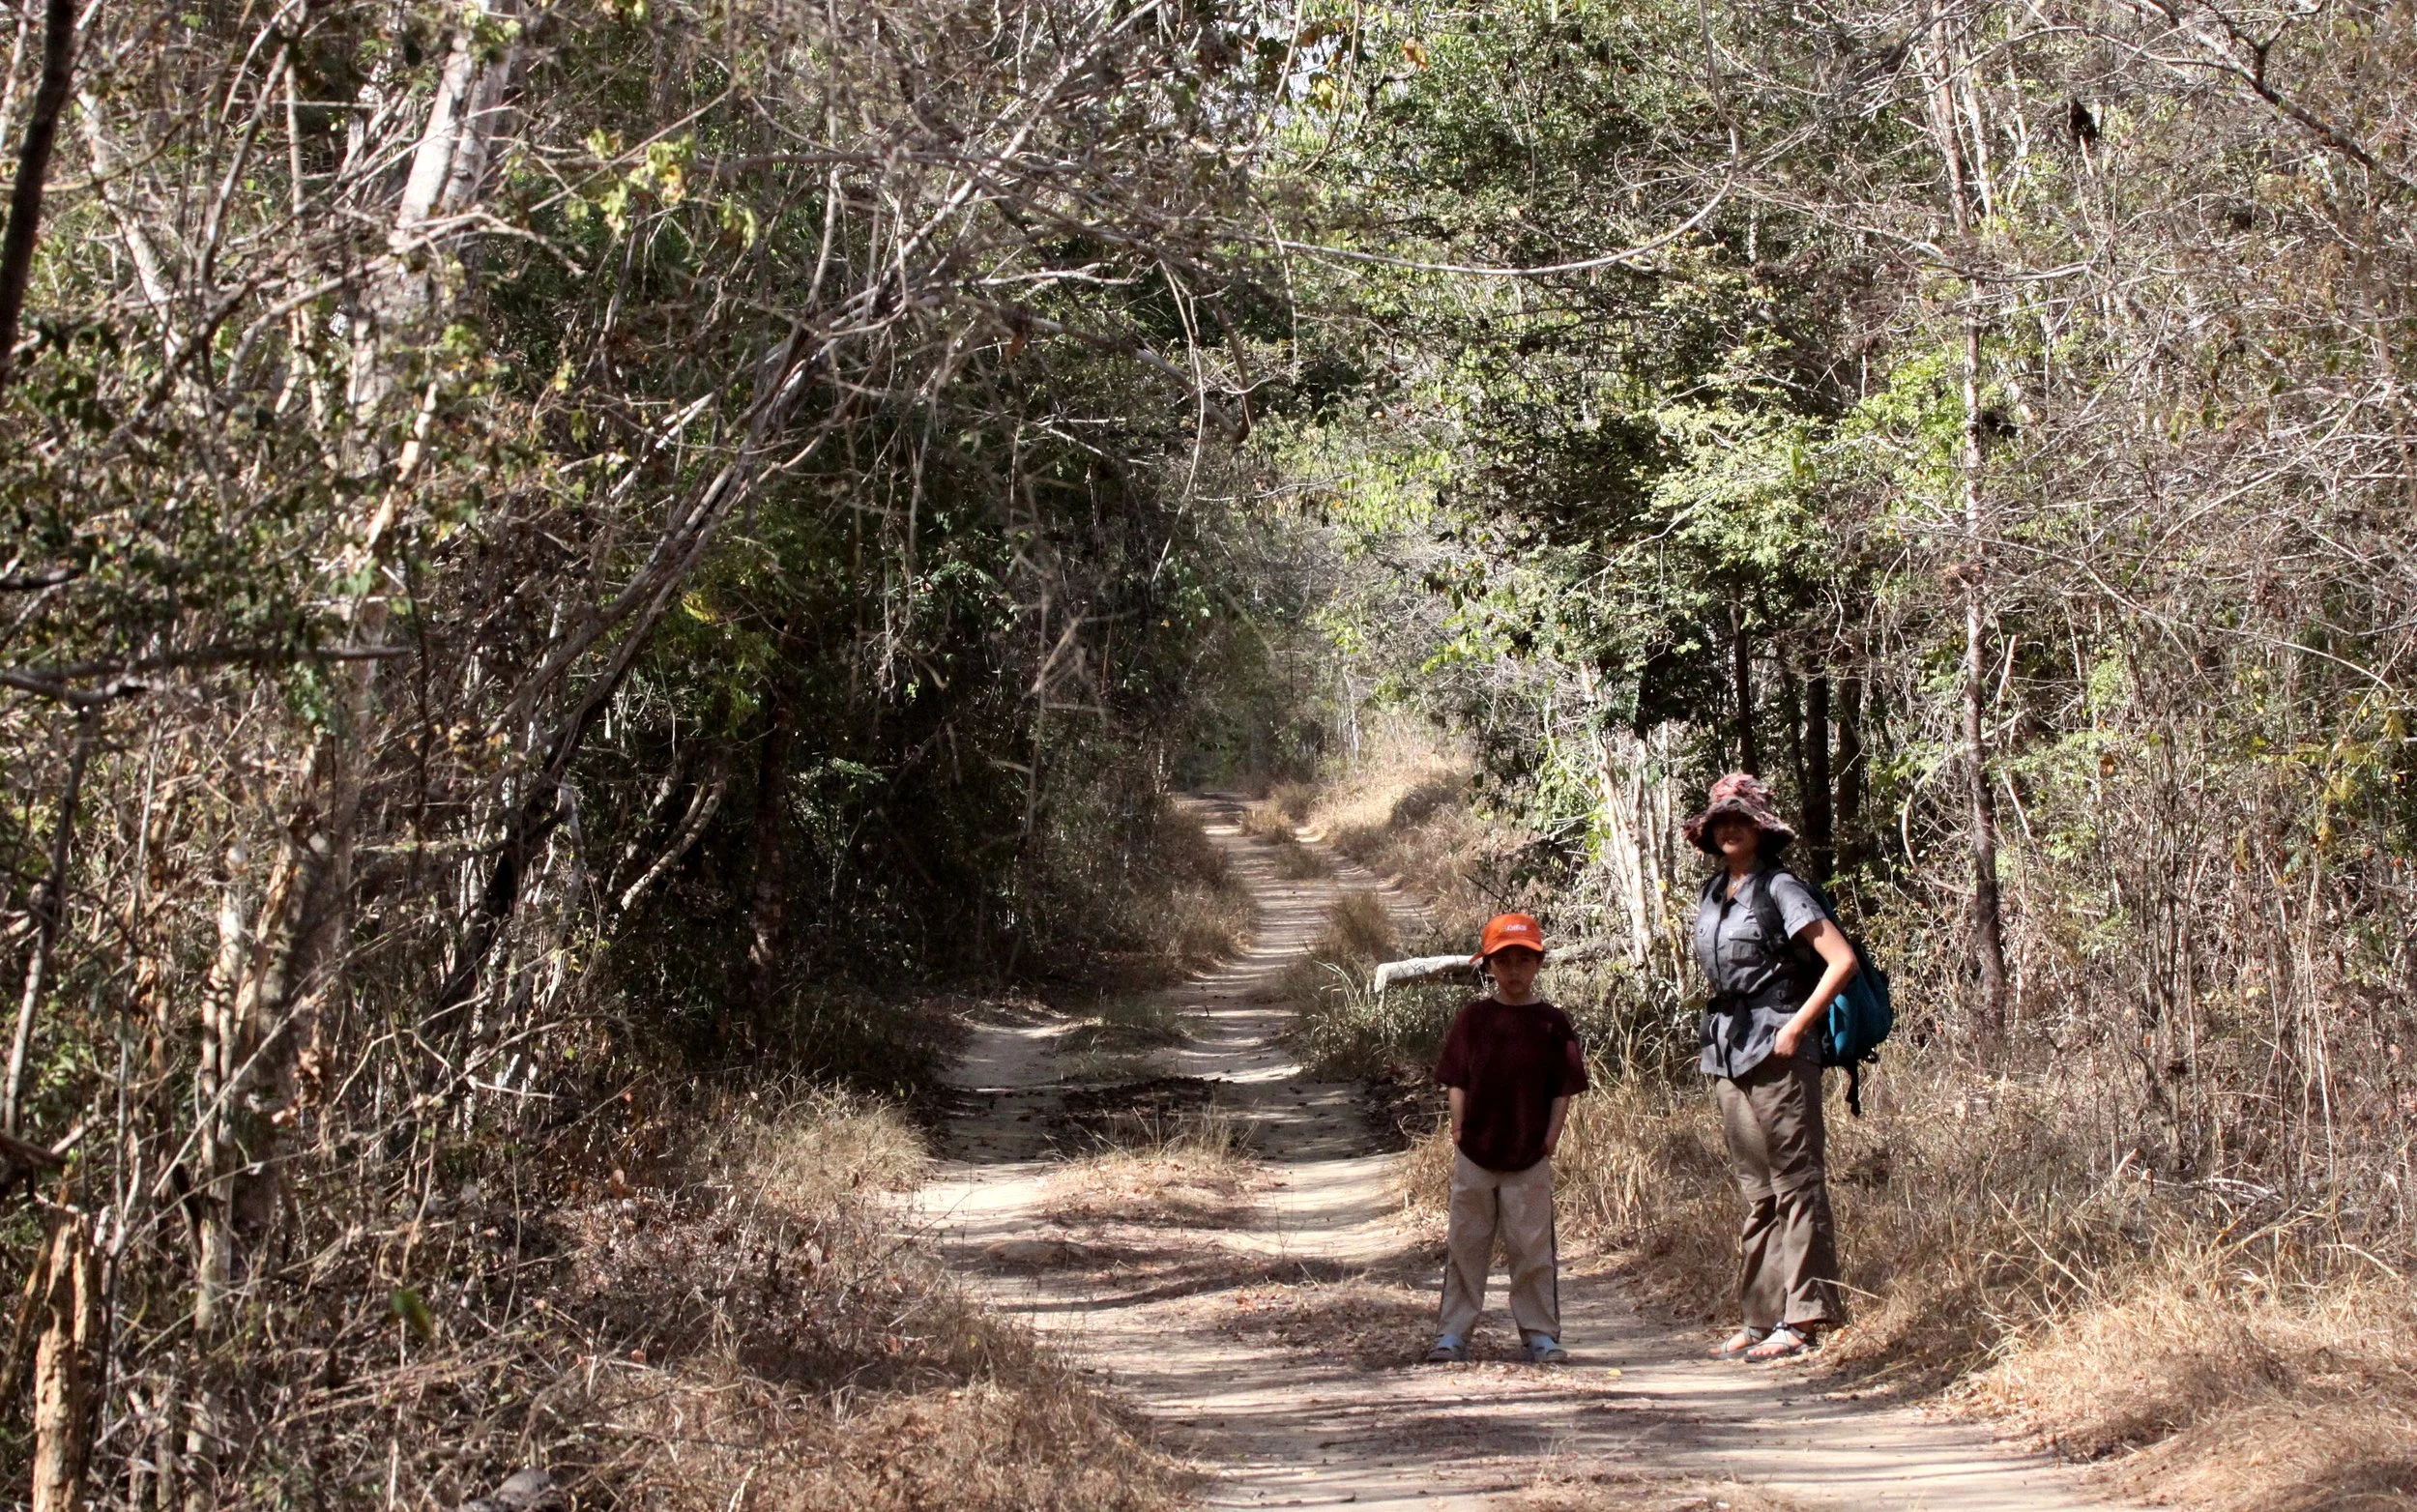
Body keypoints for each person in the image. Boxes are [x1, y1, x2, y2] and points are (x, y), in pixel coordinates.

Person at [1686, 772, 1861, 1362]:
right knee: (1758, 1191)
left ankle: (1805, 1318)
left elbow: (1841, 961)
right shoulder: (1714, 893)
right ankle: (1761, 1317)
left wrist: (1796, 1026)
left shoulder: (1782, 889)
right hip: (1728, 1051)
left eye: (1741, 819)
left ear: (1761, 828)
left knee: (1797, 1183)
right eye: (1720, 821)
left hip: (1781, 1051)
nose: (1729, 829)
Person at [1425, 912, 1589, 1365]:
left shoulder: (1552, 1023)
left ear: (1538, 964)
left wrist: (1551, 1139)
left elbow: (1563, 1089)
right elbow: (1456, 1079)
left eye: (1523, 961)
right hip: (1476, 1152)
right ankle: (1452, 1334)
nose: (1513, 971)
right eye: (1503, 962)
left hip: (1529, 1153)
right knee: (1465, 1245)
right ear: (1488, 966)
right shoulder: (1473, 1019)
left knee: (1533, 1249)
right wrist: (1458, 1131)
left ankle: (1540, 1333)